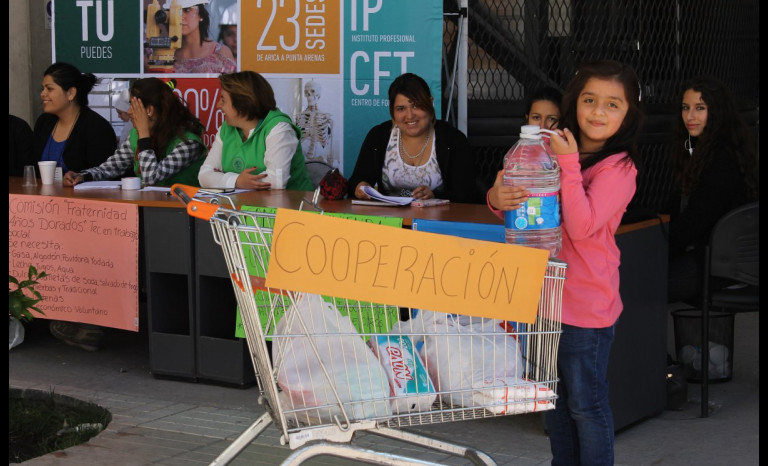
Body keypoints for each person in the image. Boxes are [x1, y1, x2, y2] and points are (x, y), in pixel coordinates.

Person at [488, 60, 643, 465]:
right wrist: (496, 197)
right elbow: (521, 202)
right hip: (543, 301)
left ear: (629, 114)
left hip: (586, 309)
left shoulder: (619, 168)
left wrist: (569, 165)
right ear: (575, 103)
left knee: (585, 406)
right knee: (553, 404)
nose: (597, 112)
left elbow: (581, 226)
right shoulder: (546, 150)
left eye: (613, 105)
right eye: (590, 100)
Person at [666, 75, 759, 305]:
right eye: (686, 108)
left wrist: (658, 253)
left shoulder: (722, 159)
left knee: (640, 282)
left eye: (700, 108)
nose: (690, 116)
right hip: (709, 260)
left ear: (716, 112)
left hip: (720, 268)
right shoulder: (698, 151)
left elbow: (696, 220)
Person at [348, 73, 483, 204]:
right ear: (392, 112)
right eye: (401, 109)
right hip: (388, 222)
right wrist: (360, 186)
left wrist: (435, 196)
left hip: (438, 223)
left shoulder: (453, 140)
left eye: (416, 105)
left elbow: (467, 195)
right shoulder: (378, 136)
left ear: (430, 103)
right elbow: (355, 181)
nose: (410, 115)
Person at [63, 77, 207, 188]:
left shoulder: (189, 142)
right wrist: (82, 176)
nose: (128, 111)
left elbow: (150, 178)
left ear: (149, 111)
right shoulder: (135, 135)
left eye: (133, 105)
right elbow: (110, 168)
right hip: (151, 210)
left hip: (183, 214)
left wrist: (144, 134)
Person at [198, 71, 314, 190]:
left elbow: (275, 182)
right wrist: (236, 181)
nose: (218, 105)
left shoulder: (279, 128)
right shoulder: (226, 129)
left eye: (223, 99)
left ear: (242, 102)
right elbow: (204, 176)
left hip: (294, 206)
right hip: (246, 206)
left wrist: (223, 180)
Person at [31, 62, 117, 174]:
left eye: (49, 89)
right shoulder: (44, 122)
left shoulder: (96, 127)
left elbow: (102, 175)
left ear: (71, 93)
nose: (43, 94)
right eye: (43, 89)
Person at [172, 0, 236, 74]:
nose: (181, 17)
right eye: (175, 11)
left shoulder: (220, 53)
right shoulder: (164, 55)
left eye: (187, 10)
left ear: (200, 15)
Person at [294, 80, 336, 168]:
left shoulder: (327, 118)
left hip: (320, 157)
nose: (309, 94)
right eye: (306, 92)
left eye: (312, 91)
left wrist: (330, 159)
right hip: (303, 157)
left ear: (318, 95)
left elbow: (330, 140)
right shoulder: (299, 117)